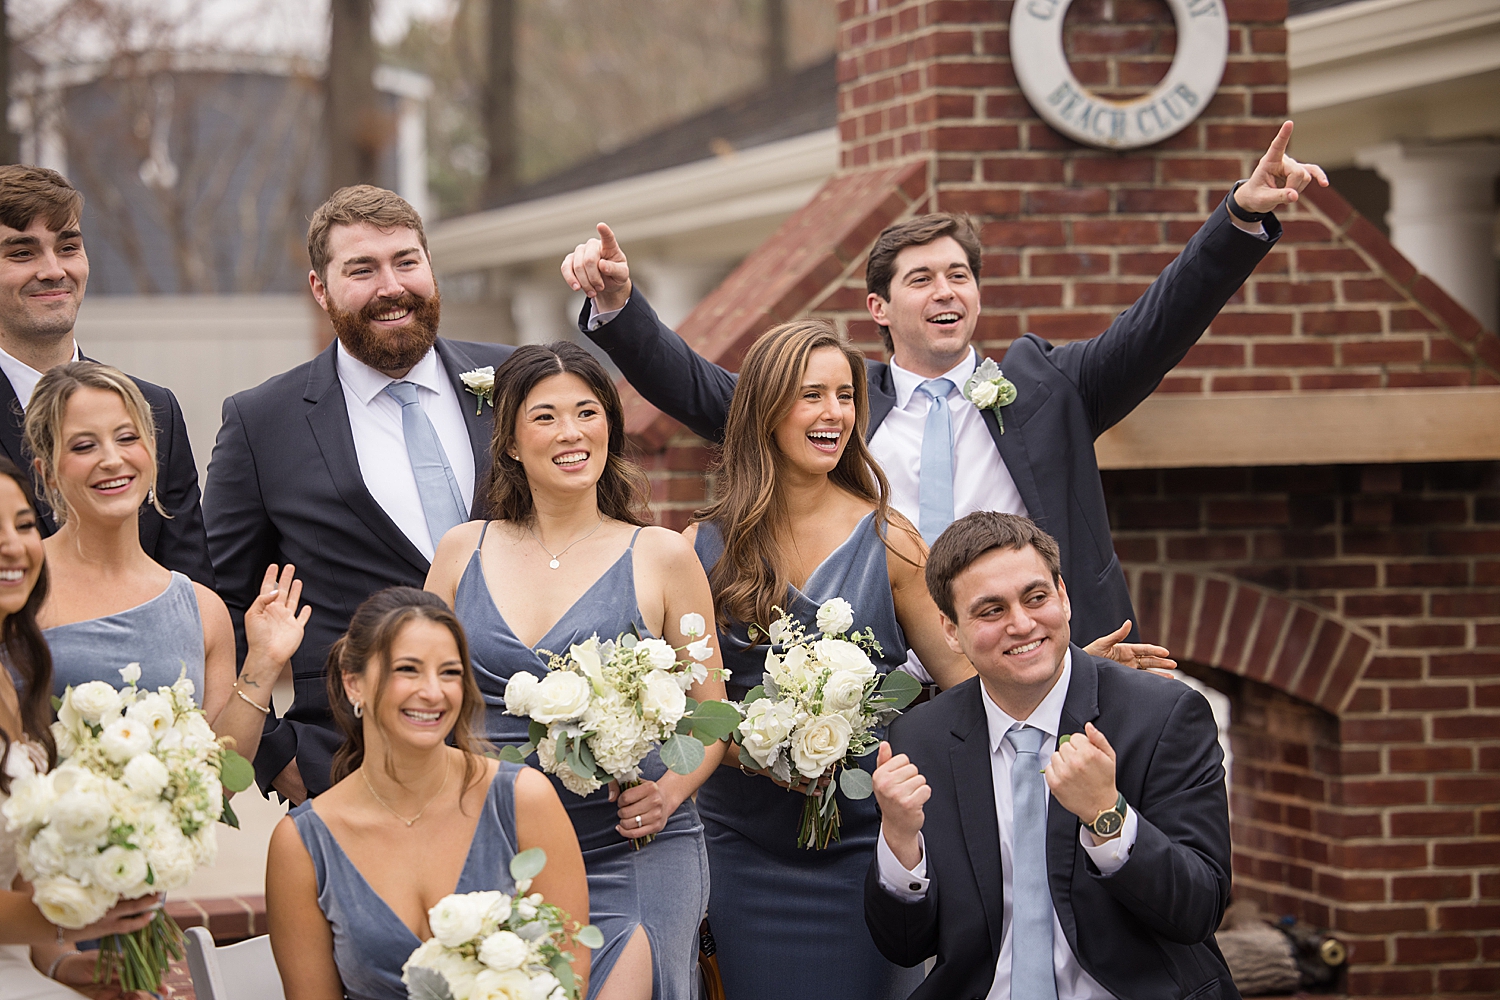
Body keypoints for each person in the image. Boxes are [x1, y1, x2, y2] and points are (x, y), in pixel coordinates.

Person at [560, 122, 1327, 651]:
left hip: (1030, 661)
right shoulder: (830, 402)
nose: (945, 290)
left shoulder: (1050, 386)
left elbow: (1162, 319)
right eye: (921, 278)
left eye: (959, 275)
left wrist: (1238, 219)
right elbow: (695, 387)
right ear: (879, 309)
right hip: (877, 674)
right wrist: (619, 309)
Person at [677, 319, 968, 1000]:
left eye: (845, 396)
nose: (834, 412)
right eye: (811, 395)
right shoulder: (701, 546)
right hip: (740, 849)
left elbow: (964, 683)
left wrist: (1050, 671)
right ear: (766, 408)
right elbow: (690, 719)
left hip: (866, 848)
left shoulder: (891, 539)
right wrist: (754, 748)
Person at [425, 341, 723, 1000]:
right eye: (546, 417)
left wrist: (670, 791)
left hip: (635, 846)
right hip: (493, 841)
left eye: (588, 412)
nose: (571, 432)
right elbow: (424, 704)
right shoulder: (458, 553)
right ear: (508, 442)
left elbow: (711, 715)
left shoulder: (664, 556)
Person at [204, 185, 515, 802]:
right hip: (347, 763)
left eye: (406, 261)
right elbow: (218, 605)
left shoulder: (515, 383)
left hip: (525, 751)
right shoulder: (262, 421)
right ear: (321, 290)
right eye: (362, 269)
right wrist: (278, 754)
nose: (391, 286)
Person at [865, 512, 1236, 1000]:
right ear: (951, 631)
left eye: (1036, 598)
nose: (1022, 624)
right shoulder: (921, 739)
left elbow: (1199, 910)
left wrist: (1108, 815)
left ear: (1063, 597)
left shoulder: (1163, 716)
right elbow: (905, 945)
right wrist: (898, 840)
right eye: (991, 611)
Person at [266, 587, 591, 1000]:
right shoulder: (301, 845)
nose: (434, 692)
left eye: (450, 672)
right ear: (354, 683)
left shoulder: (523, 800)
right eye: (408, 670)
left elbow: (571, 976)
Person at [26, 362, 307, 764]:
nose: (112, 459)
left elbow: (218, 781)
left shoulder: (203, 610)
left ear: (153, 451)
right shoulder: (18, 589)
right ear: (47, 471)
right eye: (84, 446)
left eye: (127, 438)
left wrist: (263, 661)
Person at [0, 455, 164, 999]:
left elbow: (19, 869)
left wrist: (63, 965)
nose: (13, 545)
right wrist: (77, 919)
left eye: (24, 525)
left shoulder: (15, 675)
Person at [0, 165, 211, 586]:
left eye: (68, 247)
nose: (53, 270)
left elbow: (190, 590)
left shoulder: (154, 411)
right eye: (22, 253)